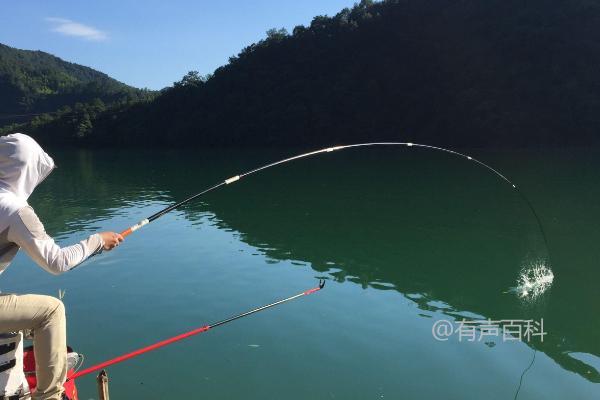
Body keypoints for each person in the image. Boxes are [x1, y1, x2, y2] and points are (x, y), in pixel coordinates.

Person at [0, 133, 123, 400]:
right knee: (51, 311)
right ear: (27, 170)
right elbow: (57, 262)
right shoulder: (15, 209)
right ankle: (51, 396)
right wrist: (97, 241)